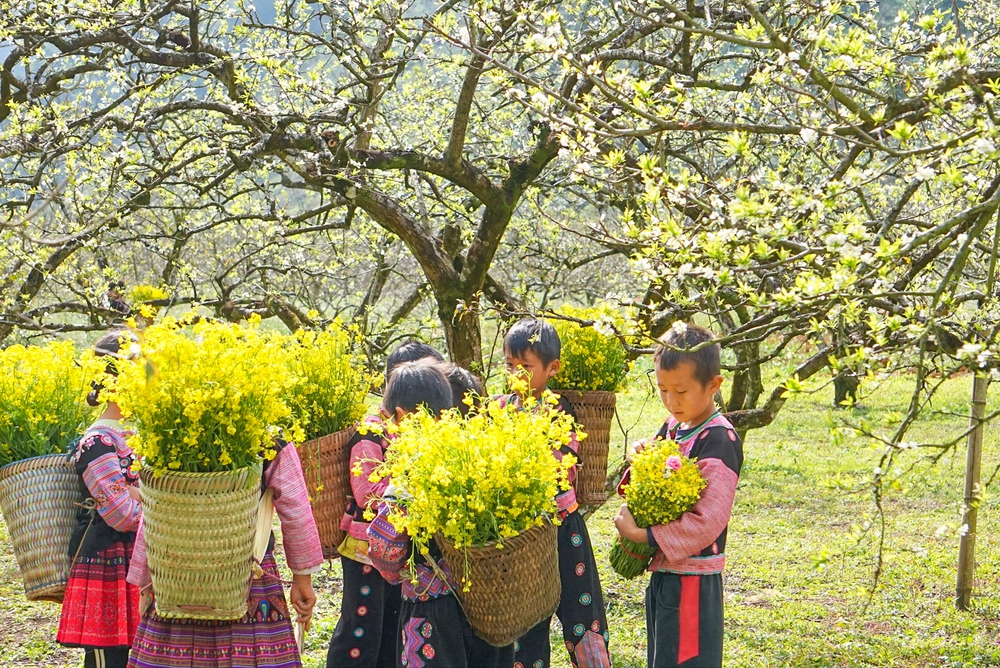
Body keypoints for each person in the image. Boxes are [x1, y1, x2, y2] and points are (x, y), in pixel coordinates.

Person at [367, 361, 516, 668]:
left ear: (400, 416)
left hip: (431, 611)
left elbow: (385, 552)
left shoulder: (408, 474)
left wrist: (400, 575)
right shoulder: (479, 460)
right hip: (490, 608)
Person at [613, 322, 744, 668]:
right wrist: (641, 461)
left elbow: (708, 521)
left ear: (714, 384)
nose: (671, 401)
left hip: (693, 583)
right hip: (666, 574)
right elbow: (648, 484)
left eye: (681, 391)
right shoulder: (673, 427)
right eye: (663, 390)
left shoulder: (719, 440)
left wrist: (647, 536)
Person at [126, 440, 323, 667]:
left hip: (176, 577)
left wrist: (146, 581)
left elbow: (154, 506)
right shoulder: (266, 438)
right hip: (247, 577)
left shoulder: (162, 433)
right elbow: (295, 506)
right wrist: (302, 578)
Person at [500, 318, 611, 668]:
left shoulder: (560, 410)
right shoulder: (499, 409)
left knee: (582, 608)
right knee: (525, 617)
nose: (516, 375)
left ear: (552, 368)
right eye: (510, 366)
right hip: (519, 535)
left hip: (563, 528)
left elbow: (560, 465)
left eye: (526, 367)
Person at [326, 359, 449, 668]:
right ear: (403, 415)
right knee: (361, 628)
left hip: (397, 551)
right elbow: (366, 492)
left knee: (394, 626)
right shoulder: (370, 433)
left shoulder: (406, 433)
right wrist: (412, 484)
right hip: (365, 552)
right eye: (427, 421)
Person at [57, 330, 142, 668]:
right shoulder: (97, 441)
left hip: (145, 561)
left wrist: (141, 493)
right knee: (110, 662)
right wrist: (155, 500)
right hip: (112, 565)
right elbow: (122, 514)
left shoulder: (146, 433)